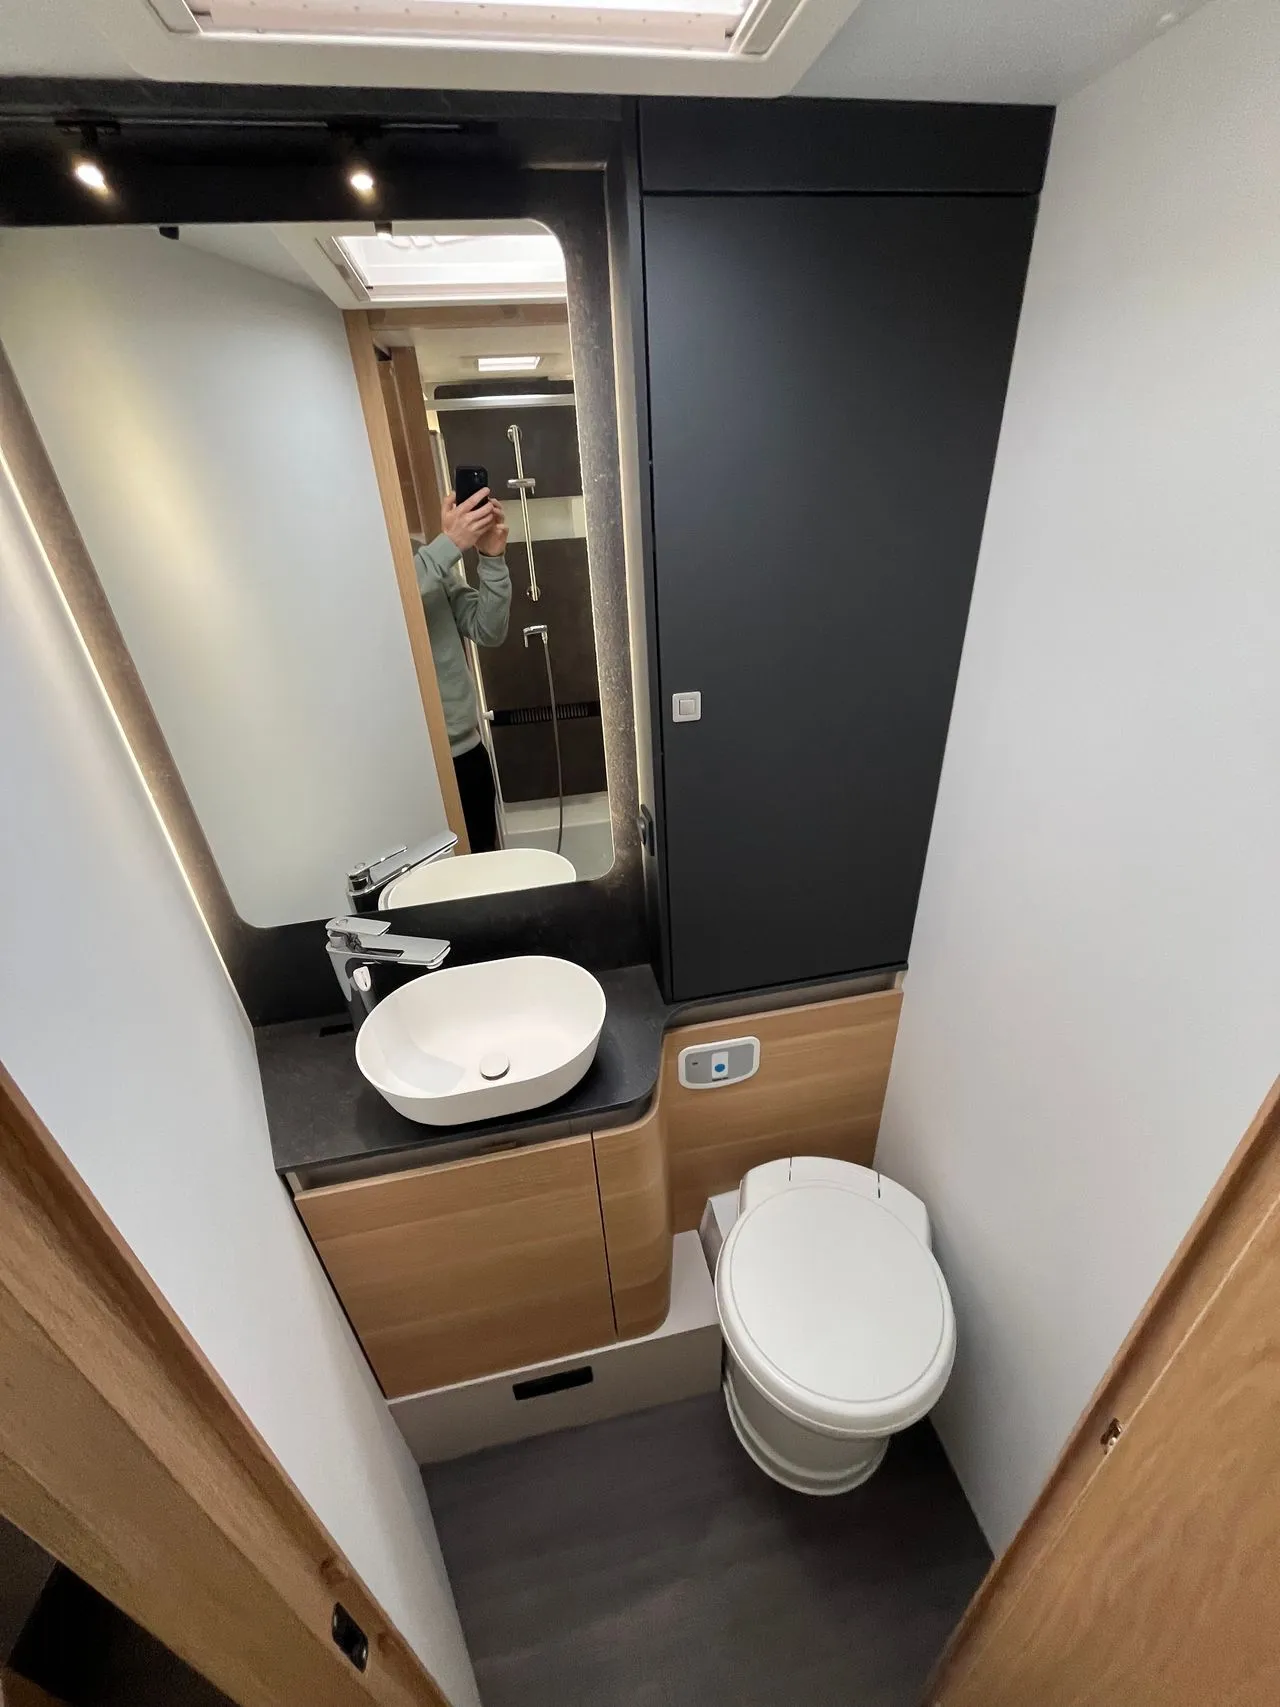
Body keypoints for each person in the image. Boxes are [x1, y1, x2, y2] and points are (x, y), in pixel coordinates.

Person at [413, 486, 511, 853]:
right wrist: (450, 543)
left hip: (466, 755)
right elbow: (390, 606)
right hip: (412, 766)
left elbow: (487, 629)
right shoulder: (419, 562)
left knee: (484, 868)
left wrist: (492, 558)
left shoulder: (417, 554)